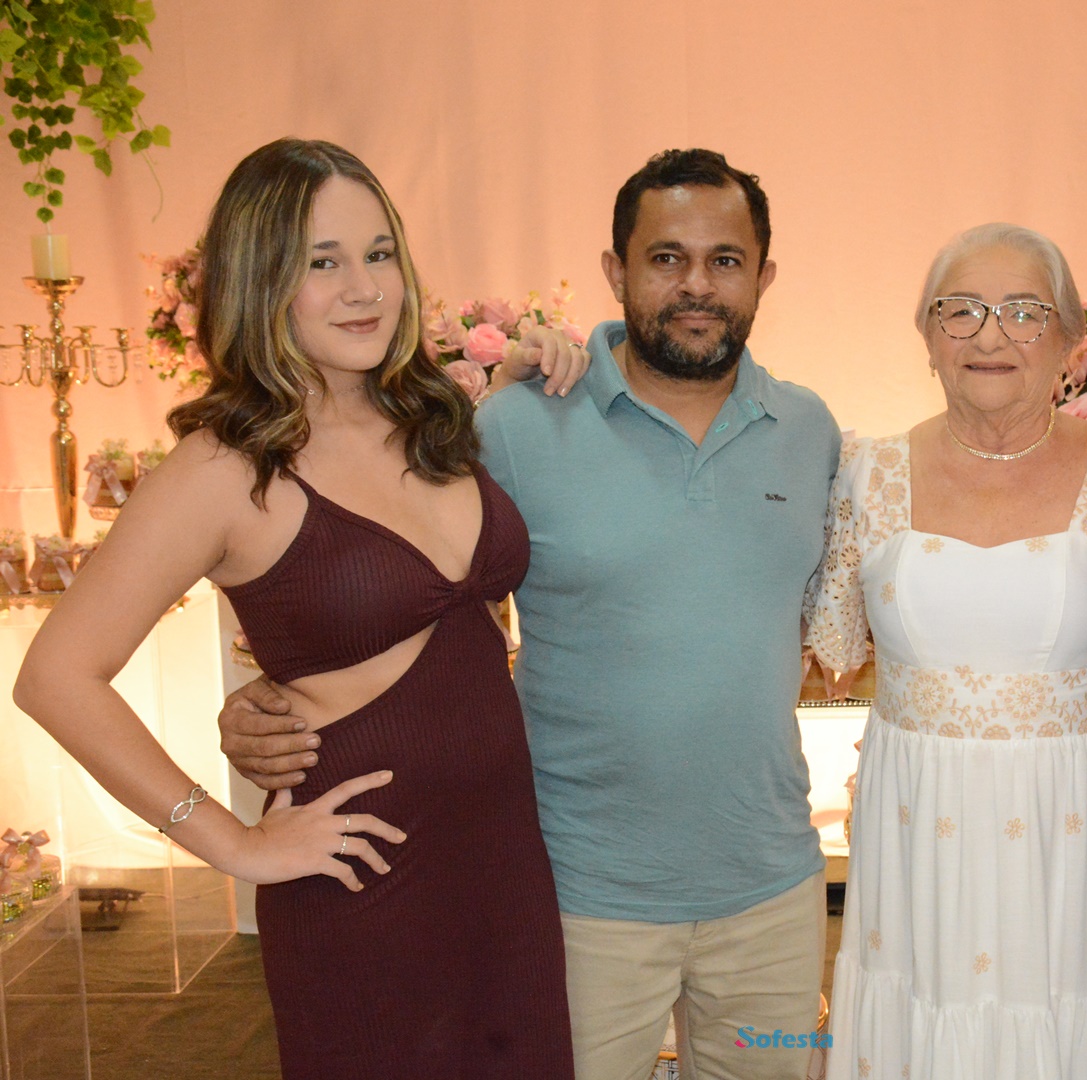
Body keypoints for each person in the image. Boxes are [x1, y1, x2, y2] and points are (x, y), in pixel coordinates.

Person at [220, 148, 841, 1080]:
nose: (696, 285)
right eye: (666, 258)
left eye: (725, 260)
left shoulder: (809, 430)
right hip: (578, 894)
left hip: (775, 894)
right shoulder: (517, 426)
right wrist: (272, 698)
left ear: (765, 276)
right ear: (616, 271)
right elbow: (392, 593)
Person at [15, 138, 587, 1079]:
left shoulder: (432, 419)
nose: (364, 288)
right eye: (322, 263)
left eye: (378, 254)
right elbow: (55, 678)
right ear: (262, 280)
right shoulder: (224, 466)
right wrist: (233, 843)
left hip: (505, 869)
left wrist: (530, 370)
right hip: (363, 884)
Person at [808, 223, 1087, 1079]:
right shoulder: (865, 474)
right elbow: (829, 645)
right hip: (919, 820)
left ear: (1071, 340)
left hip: (1080, 825)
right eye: (961, 310)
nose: (990, 334)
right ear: (928, 337)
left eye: (1023, 311)